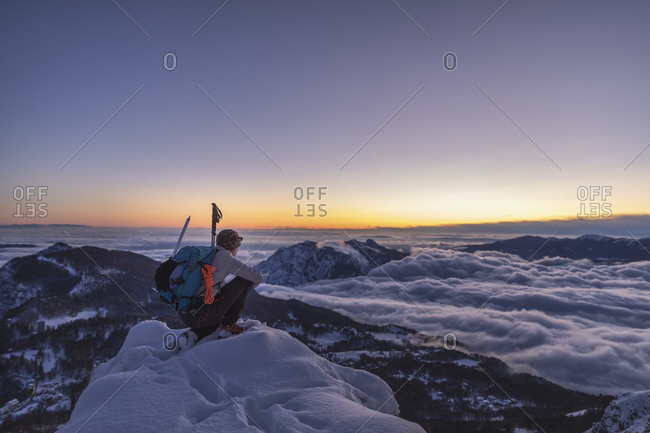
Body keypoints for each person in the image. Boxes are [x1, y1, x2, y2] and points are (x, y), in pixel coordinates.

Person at [177, 229, 263, 349]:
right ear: (233, 245)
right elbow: (257, 277)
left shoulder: (209, 253)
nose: (238, 250)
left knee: (215, 304)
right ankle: (228, 326)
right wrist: (243, 292)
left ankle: (194, 335)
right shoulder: (226, 257)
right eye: (237, 246)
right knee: (245, 281)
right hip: (202, 314)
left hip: (187, 313)